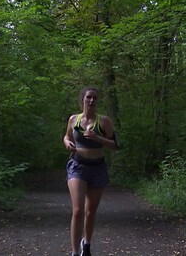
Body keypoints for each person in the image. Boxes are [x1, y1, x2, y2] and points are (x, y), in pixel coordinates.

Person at [63, 87, 118, 256]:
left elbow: (115, 146)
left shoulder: (104, 122)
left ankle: (86, 244)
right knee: (78, 210)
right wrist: (67, 143)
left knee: (90, 211)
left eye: (95, 98)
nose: (92, 101)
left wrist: (97, 138)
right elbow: (66, 136)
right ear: (83, 100)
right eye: (89, 97)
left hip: (97, 168)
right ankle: (74, 252)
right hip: (77, 166)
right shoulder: (74, 120)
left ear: (97, 101)